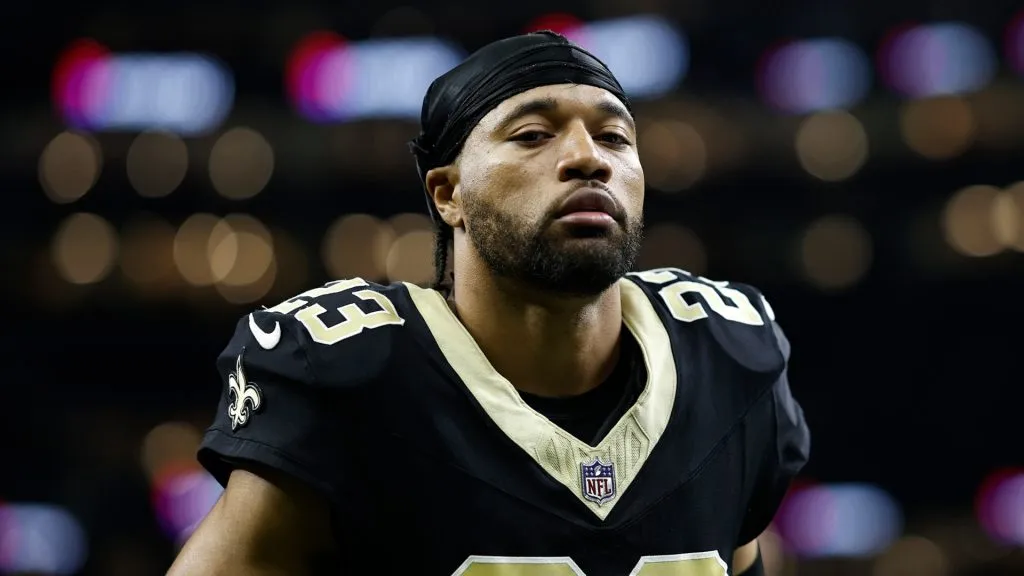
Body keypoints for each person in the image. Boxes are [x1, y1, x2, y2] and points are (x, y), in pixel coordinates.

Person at [169, 30, 810, 576]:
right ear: (447, 194)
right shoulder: (349, 373)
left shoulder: (728, 352)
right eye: (533, 134)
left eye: (615, 137)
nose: (589, 157)